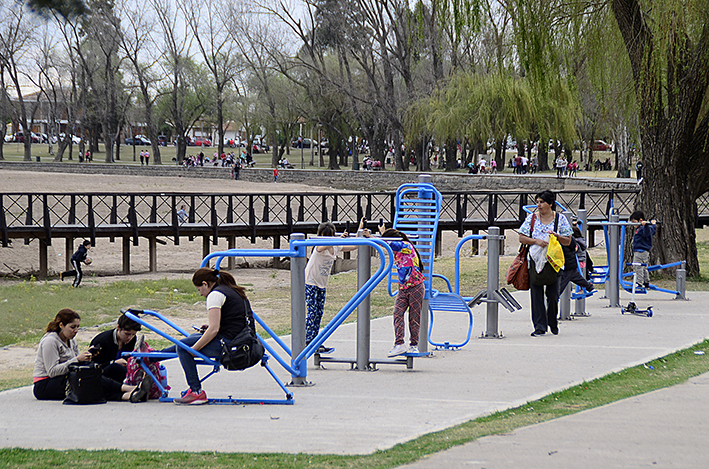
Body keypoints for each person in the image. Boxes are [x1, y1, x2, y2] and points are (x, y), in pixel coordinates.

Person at [172, 268, 255, 405]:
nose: (200, 294)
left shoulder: (215, 295)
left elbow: (214, 330)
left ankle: (196, 392)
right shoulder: (231, 290)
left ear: (205, 284)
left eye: (199, 290)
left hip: (231, 345)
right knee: (187, 340)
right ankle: (152, 356)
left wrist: (194, 350)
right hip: (242, 340)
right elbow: (230, 321)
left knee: (183, 348)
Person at [33, 308, 151, 402]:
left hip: (65, 378)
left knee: (91, 385)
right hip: (45, 384)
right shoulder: (50, 341)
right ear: (61, 325)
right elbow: (52, 372)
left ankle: (129, 395)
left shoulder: (71, 340)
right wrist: (77, 360)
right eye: (72, 327)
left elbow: (75, 366)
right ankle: (133, 389)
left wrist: (86, 358)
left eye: (78, 327)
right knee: (90, 382)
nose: (76, 330)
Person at [363, 223, 425, 356]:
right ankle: (399, 343)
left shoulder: (406, 246)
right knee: (397, 314)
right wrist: (381, 234)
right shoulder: (396, 251)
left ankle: (414, 345)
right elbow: (386, 244)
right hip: (403, 289)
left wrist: (373, 236)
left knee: (414, 317)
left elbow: (391, 244)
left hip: (416, 287)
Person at [518, 190, 573, 337]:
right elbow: (522, 238)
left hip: (554, 261)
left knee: (553, 294)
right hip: (535, 260)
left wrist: (557, 236)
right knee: (536, 294)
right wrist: (536, 241)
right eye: (537, 202)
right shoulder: (532, 219)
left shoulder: (560, 219)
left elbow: (568, 241)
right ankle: (539, 326)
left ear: (550, 204)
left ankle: (552, 320)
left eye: (542, 202)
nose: (539, 205)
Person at [304, 222, 357, 353]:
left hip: (322, 283)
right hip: (311, 281)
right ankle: (308, 341)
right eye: (324, 236)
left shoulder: (336, 245)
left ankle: (314, 341)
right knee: (312, 312)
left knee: (319, 313)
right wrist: (337, 239)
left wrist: (360, 231)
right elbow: (322, 246)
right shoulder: (319, 246)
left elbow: (354, 246)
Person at [89, 313, 142, 382]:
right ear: (118, 328)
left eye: (133, 334)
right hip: (101, 376)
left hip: (120, 374)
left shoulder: (132, 339)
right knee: (116, 367)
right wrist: (113, 362)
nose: (130, 338)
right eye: (127, 334)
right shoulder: (102, 341)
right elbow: (93, 365)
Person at [558, 220, 594, 296]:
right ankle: (589, 286)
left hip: (568, 266)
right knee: (578, 278)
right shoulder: (574, 240)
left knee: (562, 283)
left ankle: (556, 295)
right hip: (573, 264)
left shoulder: (567, 242)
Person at [629, 211, 657, 289]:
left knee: (638, 267)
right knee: (644, 267)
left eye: (634, 222)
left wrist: (646, 226)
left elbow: (647, 233)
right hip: (643, 251)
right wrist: (653, 225)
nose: (633, 225)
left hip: (640, 251)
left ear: (640, 220)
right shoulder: (642, 228)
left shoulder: (643, 228)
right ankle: (646, 282)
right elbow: (653, 231)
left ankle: (639, 282)